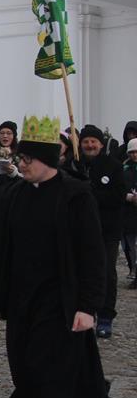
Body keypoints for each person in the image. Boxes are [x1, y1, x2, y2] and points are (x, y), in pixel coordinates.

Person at [0, 116, 111, 398]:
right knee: (25, 367)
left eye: (28, 159)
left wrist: (88, 307)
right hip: (23, 299)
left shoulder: (75, 195)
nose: (21, 164)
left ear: (48, 159)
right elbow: (2, 252)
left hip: (61, 299)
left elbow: (92, 255)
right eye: (20, 158)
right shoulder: (13, 195)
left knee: (52, 370)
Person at [77, 124, 127, 339]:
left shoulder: (113, 166)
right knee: (81, 272)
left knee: (106, 272)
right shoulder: (75, 165)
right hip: (80, 229)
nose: (89, 145)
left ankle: (105, 315)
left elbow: (118, 195)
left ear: (100, 144)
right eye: (86, 141)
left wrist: (91, 194)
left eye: (93, 141)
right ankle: (84, 312)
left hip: (107, 229)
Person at [123, 138, 137, 289]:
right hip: (129, 212)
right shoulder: (125, 169)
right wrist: (129, 197)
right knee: (131, 247)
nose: (134, 155)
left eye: (136, 152)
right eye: (132, 152)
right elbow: (120, 188)